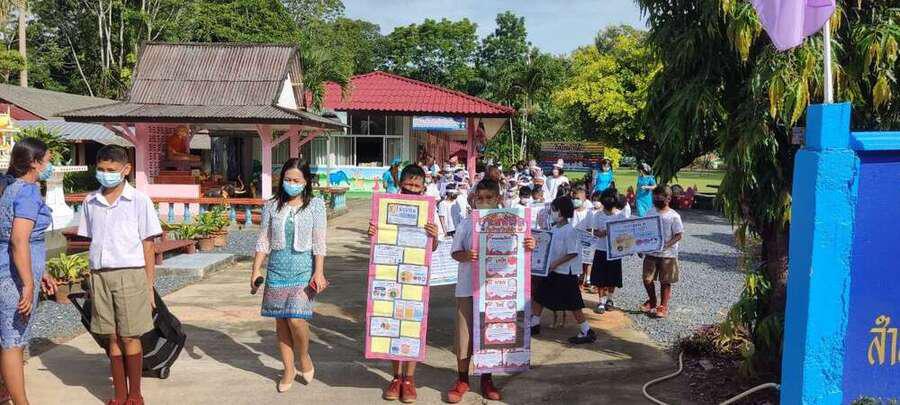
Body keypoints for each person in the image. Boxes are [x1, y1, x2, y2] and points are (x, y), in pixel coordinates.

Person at [78, 145, 163, 405]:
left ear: (126, 169)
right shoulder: (90, 201)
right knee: (111, 336)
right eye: (101, 169)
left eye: (111, 170)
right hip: (100, 275)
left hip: (130, 274)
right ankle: (119, 395)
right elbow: (90, 241)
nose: (105, 174)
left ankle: (135, 394)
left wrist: (149, 286)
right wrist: (90, 279)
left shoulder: (139, 201)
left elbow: (148, 245)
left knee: (129, 335)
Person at [446, 179, 534, 403]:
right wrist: (467, 256)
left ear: (498, 199)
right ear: (474, 199)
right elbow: (455, 253)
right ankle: (462, 379)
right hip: (468, 289)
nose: (484, 202)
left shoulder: (513, 223)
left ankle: (487, 379)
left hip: (497, 288)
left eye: (489, 198)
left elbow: (522, 250)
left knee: (491, 335)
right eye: (480, 198)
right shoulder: (467, 224)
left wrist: (530, 245)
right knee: (464, 337)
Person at [252, 158, 329, 393]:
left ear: (306, 182)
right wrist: (255, 270)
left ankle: (303, 356)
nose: (291, 184)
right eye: (287, 179)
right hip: (277, 269)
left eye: (296, 180)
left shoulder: (316, 205)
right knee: (282, 320)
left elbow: (319, 242)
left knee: (296, 319)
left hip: (303, 270)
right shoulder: (271, 206)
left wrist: (319, 272)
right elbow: (264, 240)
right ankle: (288, 369)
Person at [370, 164, 441, 404]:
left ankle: (409, 379)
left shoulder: (429, 210)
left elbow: (433, 248)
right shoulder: (386, 206)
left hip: (415, 278)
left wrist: (434, 235)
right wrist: (373, 231)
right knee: (392, 325)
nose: (412, 188)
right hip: (390, 274)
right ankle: (395, 377)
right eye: (408, 183)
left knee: (411, 326)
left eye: (416, 185)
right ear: (401, 184)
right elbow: (379, 236)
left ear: (423, 188)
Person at [0, 138, 57, 405]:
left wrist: (40, 272)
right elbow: (19, 240)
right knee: (13, 341)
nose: (50, 165)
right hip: (13, 277)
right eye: (47, 160)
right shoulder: (27, 192)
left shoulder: (10, 186)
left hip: (13, 270)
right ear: (34, 163)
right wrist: (28, 283)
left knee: (10, 337)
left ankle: (6, 391)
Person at [530, 196, 597, 344]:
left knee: (574, 304)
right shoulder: (554, 229)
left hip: (566, 272)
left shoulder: (570, 231)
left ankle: (587, 331)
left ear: (561, 212)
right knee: (539, 295)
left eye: (554, 210)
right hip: (553, 271)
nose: (552, 213)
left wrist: (555, 264)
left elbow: (573, 253)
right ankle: (534, 323)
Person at [641, 186, 684, 319]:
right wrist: (640, 247)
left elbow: (679, 235)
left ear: (668, 198)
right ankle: (652, 301)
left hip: (668, 255)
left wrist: (666, 245)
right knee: (647, 279)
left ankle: (663, 306)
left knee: (665, 281)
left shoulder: (674, 216)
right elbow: (643, 230)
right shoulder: (650, 212)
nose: (656, 199)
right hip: (651, 253)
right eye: (654, 196)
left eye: (659, 196)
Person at [590, 188, 628, 313]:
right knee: (600, 277)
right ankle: (601, 301)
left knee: (613, 277)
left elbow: (625, 233)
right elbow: (594, 231)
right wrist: (600, 233)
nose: (609, 200)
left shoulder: (621, 215)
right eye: (607, 198)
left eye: (611, 198)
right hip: (601, 249)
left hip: (615, 251)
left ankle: (610, 299)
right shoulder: (598, 215)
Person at [570, 187, 593, 289]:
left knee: (584, 262)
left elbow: (589, 229)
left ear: (584, 199)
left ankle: (583, 280)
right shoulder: (571, 212)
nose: (576, 200)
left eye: (578, 199)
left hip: (584, 241)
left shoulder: (588, 213)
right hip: (572, 241)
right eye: (574, 198)